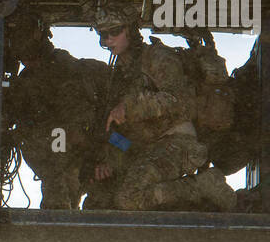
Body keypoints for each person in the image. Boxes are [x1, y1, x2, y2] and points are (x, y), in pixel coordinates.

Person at [84, 13, 231, 211]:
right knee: (98, 201)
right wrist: (108, 161)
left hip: (176, 141)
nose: (107, 39)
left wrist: (130, 107)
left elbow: (179, 100)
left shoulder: (157, 57)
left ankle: (202, 186)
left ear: (131, 31)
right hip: (143, 149)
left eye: (114, 32)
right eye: (102, 34)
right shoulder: (119, 73)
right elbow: (122, 136)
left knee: (130, 197)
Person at [4, 16, 109, 209]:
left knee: (60, 200)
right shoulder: (28, 79)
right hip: (66, 156)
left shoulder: (64, 71)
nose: (24, 60)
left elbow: (67, 129)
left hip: (74, 155)